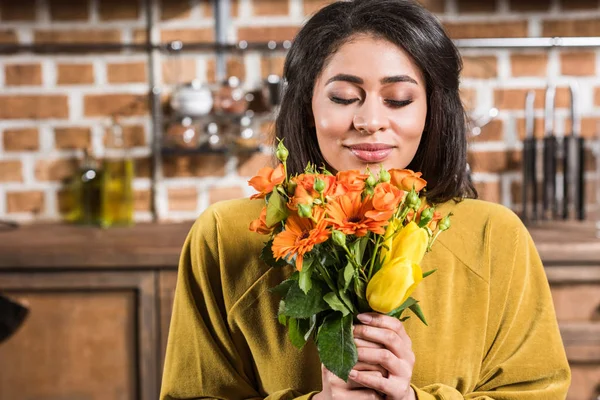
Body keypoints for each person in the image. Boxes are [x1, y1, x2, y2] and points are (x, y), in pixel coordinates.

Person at [160, 0, 571, 399]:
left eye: (398, 100)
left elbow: (535, 392)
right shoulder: (223, 235)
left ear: (432, 110)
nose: (370, 121)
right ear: (307, 106)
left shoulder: (494, 236)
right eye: (342, 98)